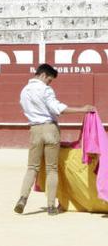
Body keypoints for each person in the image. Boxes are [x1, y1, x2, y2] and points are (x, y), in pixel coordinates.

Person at [15, 64, 95, 215]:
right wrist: (82, 109)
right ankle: (51, 206)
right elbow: (57, 108)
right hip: (50, 129)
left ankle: (22, 199)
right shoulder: (45, 90)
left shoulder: (24, 91)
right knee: (52, 169)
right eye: (50, 80)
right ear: (44, 75)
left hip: (34, 130)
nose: (49, 83)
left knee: (32, 168)